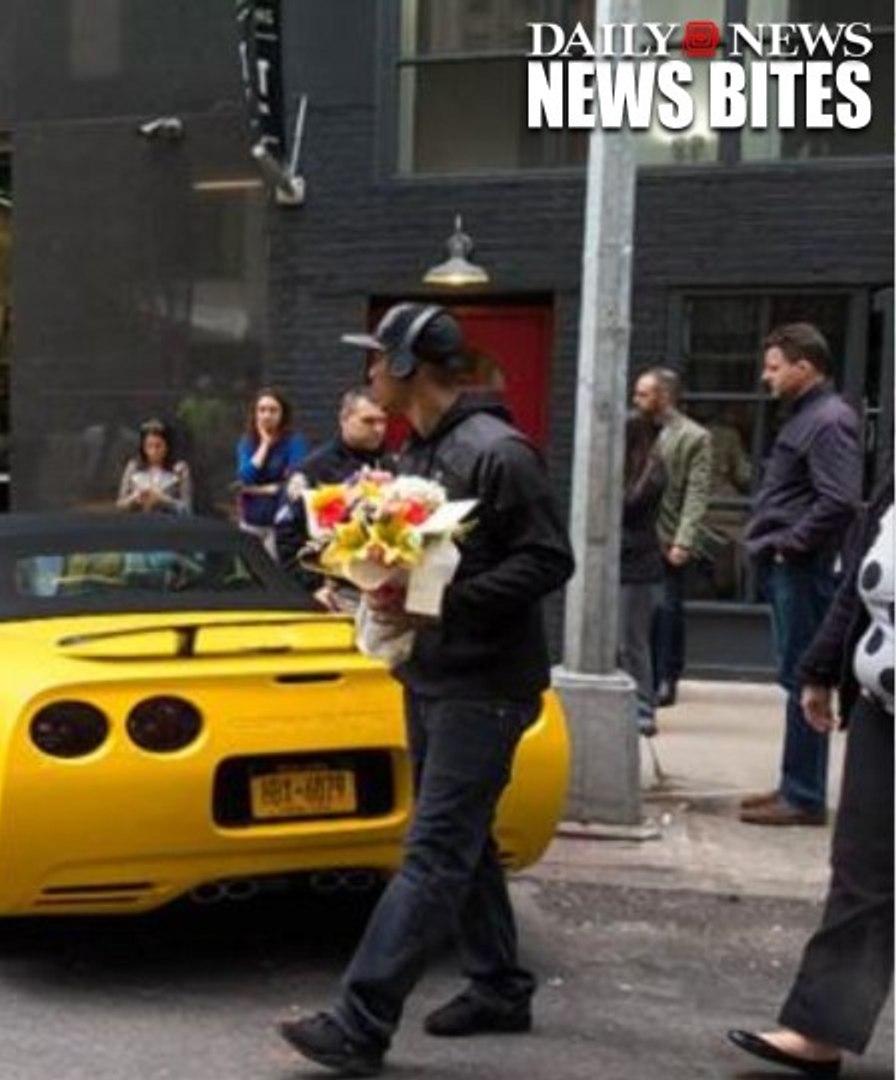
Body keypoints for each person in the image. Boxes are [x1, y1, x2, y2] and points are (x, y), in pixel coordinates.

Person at [278, 304, 574, 1076]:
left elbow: (550, 562)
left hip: (486, 685)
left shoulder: (498, 452)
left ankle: (359, 1020)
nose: (367, 371)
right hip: (435, 671)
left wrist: (437, 601)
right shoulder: (424, 448)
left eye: (376, 358)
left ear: (406, 368)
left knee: (436, 850)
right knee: (463, 841)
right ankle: (501, 986)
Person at [726, 473, 892, 1077]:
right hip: (885, 710)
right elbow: (856, 583)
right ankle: (819, 1028)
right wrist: (819, 667)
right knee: (863, 870)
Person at [741, 323, 863, 828]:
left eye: (774, 367)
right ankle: (796, 785)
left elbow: (838, 498)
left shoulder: (829, 421)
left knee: (807, 676)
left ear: (804, 367)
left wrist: (790, 546)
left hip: (804, 568)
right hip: (793, 565)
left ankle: (804, 795)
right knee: (797, 676)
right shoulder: (811, 417)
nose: (766, 376)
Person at [632, 366, 713, 709]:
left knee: (667, 611)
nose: (635, 400)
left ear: (664, 396)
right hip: (635, 537)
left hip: (667, 538)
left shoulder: (694, 437)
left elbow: (697, 492)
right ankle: (641, 677)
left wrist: (684, 539)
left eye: (643, 394)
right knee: (638, 612)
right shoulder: (631, 430)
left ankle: (667, 677)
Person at [276, 387, 391, 602]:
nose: (379, 429)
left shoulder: (393, 465)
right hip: (336, 591)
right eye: (369, 421)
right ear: (344, 419)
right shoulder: (314, 470)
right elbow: (287, 536)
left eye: (383, 421)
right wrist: (313, 587)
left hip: (386, 592)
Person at [618, 413, 668, 738]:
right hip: (626, 560)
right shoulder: (633, 469)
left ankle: (643, 707)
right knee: (623, 640)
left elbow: (628, 506)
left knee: (633, 639)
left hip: (637, 564)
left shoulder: (650, 471)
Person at [235, 388, 308, 554]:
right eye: (262, 410)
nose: (267, 415)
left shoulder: (294, 442)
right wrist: (265, 444)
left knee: (274, 571)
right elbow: (245, 478)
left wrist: (256, 489)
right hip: (250, 521)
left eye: (273, 410)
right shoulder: (247, 442)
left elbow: (293, 482)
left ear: (282, 414)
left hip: (279, 522)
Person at [115, 419, 192, 517]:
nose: (153, 451)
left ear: (167, 446)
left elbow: (187, 510)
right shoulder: (133, 466)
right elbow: (120, 505)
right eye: (149, 446)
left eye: (158, 446)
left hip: (168, 525)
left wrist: (163, 500)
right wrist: (135, 498)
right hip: (137, 523)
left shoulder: (180, 468)